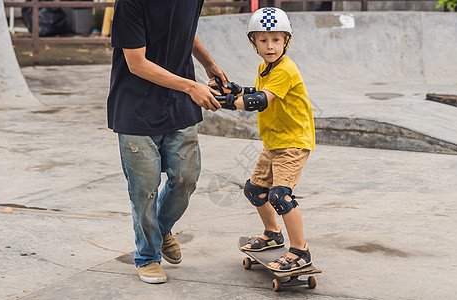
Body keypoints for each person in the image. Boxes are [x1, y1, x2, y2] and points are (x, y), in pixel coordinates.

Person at [107, 0, 229, 284]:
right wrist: (191, 85)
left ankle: (161, 229)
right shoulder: (131, 2)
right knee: (144, 190)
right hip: (136, 106)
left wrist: (209, 64)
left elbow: (186, 28)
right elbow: (136, 64)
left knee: (187, 177)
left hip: (177, 102)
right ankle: (147, 256)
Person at [216, 7, 316, 271]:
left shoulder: (285, 69)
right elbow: (257, 90)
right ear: (253, 43)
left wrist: (224, 102)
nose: (270, 46)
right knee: (255, 190)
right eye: (263, 40)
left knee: (280, 195)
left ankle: (300, 251)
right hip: (274, 143)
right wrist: (236, 89)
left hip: (293, 143)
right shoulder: (265, 67)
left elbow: (259, 100)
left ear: (286, 41)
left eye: (276, 40)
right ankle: (273, 234)